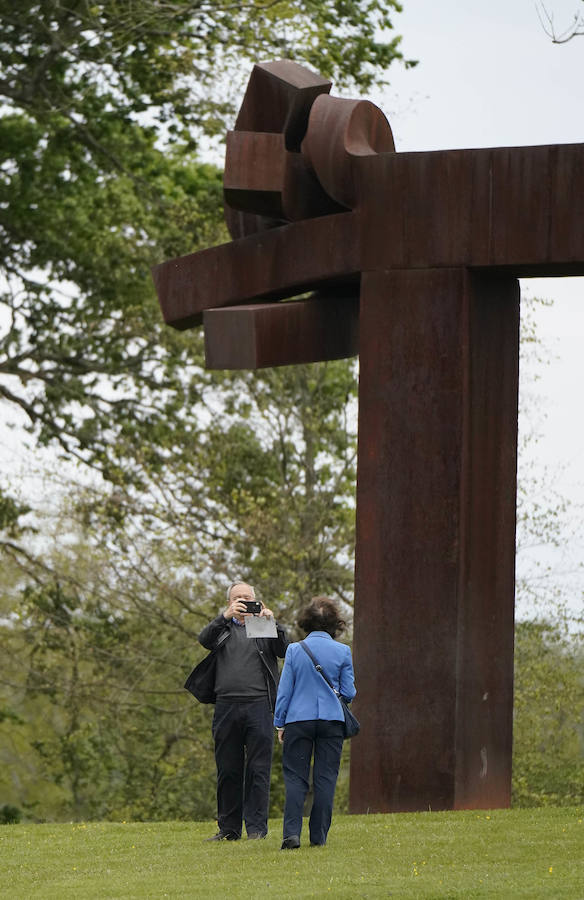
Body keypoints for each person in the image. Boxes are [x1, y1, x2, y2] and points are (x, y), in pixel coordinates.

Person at [198, 581, 288, 841]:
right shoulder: (222, 627)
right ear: (229, 602)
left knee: (259, 769)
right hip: (226, 705)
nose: (243, 602)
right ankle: (228, 829)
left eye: (248, 597)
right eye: (238, 598)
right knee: (228, 769)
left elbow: (284, 650)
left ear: (256, 600)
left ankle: (257, 830)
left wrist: (274, 622)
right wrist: (224, 617)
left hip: (259, 705)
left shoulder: (262, 625)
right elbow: (204, 640)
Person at [274, 595, 356, 850]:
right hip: (331, 721)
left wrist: (280, 723)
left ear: (306, 622)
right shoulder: (343, 651)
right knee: (325, 778)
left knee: (296, 777)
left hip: (298, 720)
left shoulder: (295, 650)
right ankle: (318, 837)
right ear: (336, 624)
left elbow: (284, 691)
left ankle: (291, 834)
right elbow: (350, 692)